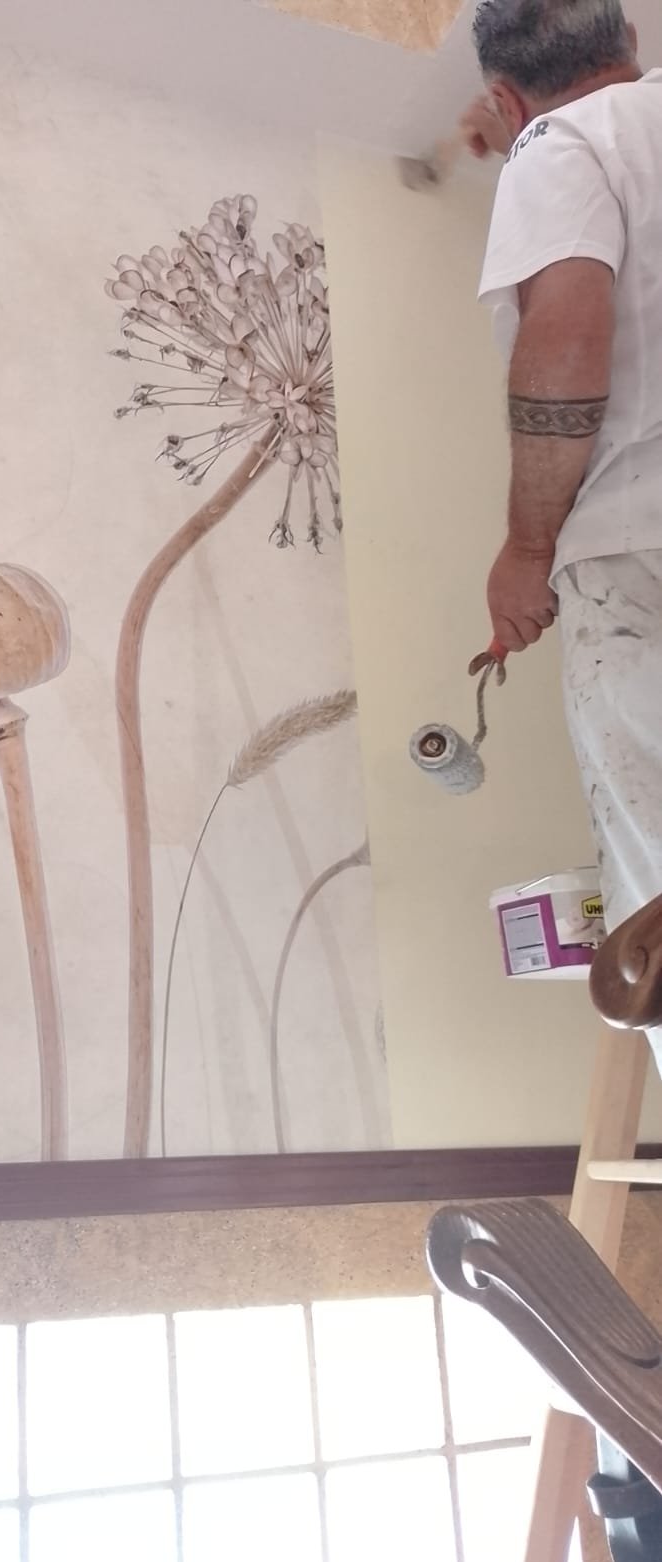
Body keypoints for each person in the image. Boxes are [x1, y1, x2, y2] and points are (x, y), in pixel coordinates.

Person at [463, 0, 662, 1053]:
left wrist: (527, 550)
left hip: (641, 551)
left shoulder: (559, 143)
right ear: (630, 44)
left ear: (505, 95)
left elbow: (569, 334)